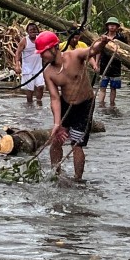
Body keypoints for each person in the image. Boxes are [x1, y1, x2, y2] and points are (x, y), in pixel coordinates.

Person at [37, 30, 112, 181]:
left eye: (43, 52)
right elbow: (54, 98)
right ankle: (55, 174)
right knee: (57, 139)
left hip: (85, 105)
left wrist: (103, 42)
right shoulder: (49, 72)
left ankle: (78, 179)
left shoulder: (74, 56)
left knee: (76, 144)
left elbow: (92, 50)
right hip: (65, 104)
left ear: (54, 48)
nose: (41, 56)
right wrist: (57, 123)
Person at [95, 17, 124, 107]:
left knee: (113, 88)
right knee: (102, 87)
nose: (112, 26)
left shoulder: (121, 38)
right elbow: (99, 51)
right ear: (107, 26)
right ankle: (101, 105)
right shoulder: (103, 37)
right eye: (110, 25)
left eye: (114, 25)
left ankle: (112, 105)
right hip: (104, 64)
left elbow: (124, 52)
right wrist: (96, 63)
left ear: (117, 27)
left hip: (115, 66)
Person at [14, 23, 44, 105]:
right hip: (28, 69)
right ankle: (30, 107)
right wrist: (17, 65)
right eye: (31, 30)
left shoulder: (40, 39)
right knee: (30, 91)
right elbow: (18, 53)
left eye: (35, 30)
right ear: (27, 31)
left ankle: (39, 104)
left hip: (38, 68)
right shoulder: (24, 40)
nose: (33, 32)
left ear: (37, 31)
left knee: (40, 87)